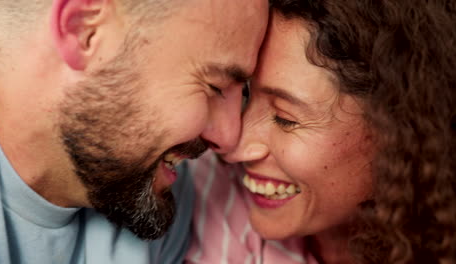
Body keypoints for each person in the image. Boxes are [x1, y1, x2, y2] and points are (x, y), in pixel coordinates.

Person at [0, 0, 269, 263]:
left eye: (242, 93)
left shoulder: (152, 188)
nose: (229, 139)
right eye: (215, 86)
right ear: (84, 32)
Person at [186, 0, 456, 263]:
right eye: (245, 95)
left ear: (401, 132)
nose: (234, 147)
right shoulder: (208, 191)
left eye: (285, 119)